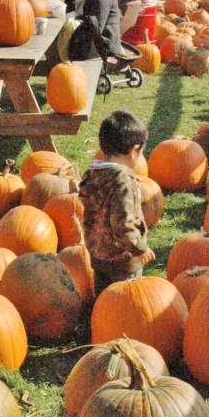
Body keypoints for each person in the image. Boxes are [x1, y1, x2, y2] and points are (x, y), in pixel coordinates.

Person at [79, 108, 155, 296]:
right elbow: (122, 224)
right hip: (123, 260)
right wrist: (140, 249)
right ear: (134, 151)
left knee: (103, 298)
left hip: (98, 255)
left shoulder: (93, 173)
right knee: (126, 299)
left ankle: (99, 322)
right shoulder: (122, 181)